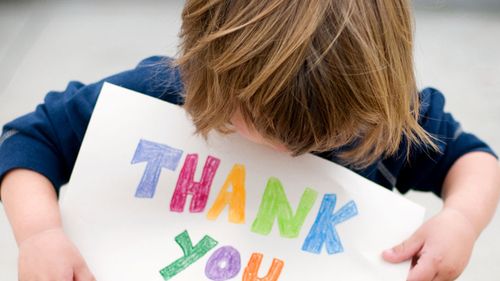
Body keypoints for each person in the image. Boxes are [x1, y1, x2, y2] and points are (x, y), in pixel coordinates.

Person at [0, 0, 499, 280]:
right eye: (261, 123)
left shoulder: (383, 119)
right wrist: (40, 234)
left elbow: (473, 159)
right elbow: (29, 138)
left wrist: (460, 220)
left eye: (324, 137)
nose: (288, 151)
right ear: (210, 69)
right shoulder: (163, 94)